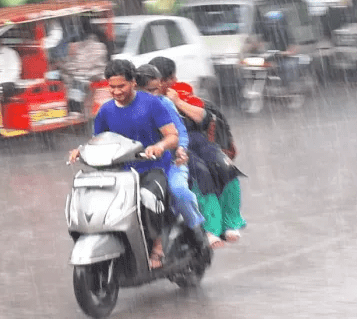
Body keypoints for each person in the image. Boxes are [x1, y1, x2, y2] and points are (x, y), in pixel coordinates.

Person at [68, 59, 178, 269]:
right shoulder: (105, 111)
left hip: (152, 169)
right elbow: (97, 141)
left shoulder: (152, 104)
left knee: (149, 198)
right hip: (120, 173)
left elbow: (172, 136)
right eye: (112, 87)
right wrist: (80, 151)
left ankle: (157, 246)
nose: (116, 91)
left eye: (121, 86)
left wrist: (159, 147)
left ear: (133, 82)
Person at [148, 56, 246, 249]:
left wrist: (176, 101)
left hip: (198, 141)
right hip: (176, 146)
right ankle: (211, 228)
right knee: (200, 173)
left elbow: (202, 116)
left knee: (226, 167)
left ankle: (231, 222)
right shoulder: (145, 99)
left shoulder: (182, 92)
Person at [135, 64, 206, 245]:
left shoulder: (164, 104)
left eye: (156, 90)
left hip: (169, 164)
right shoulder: (121, 109)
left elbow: (180, 133)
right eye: (149, 90)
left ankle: (196, 227)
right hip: (138, 167)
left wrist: (181, 149)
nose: (154, 95)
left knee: (179, 191)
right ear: (135, 88)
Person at [61, 23, 108, 113]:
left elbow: (73, 66)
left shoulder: (78, 47)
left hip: (84, 80)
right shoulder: (101, 47)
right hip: (97, 79)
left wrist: (63, 67)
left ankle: (75, 111)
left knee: (76, 87)